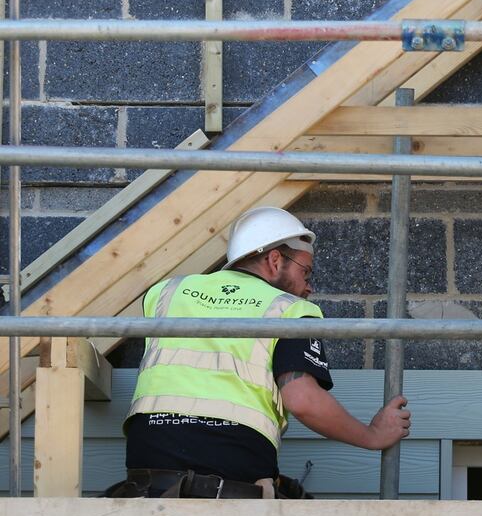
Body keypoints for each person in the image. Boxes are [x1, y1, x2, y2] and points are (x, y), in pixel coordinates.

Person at [107, 206, 411, 499]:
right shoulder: (289, 310)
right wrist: (372, 436)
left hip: (149, 481)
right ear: (275, 260)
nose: (309, 288)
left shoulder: (165, 293)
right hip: (230, 486)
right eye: (306, 273)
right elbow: (303, 399)